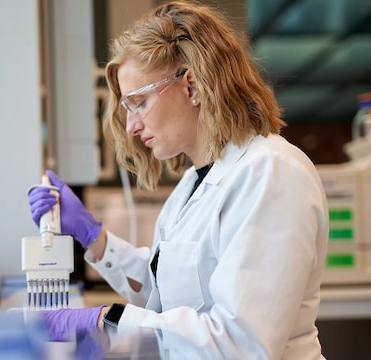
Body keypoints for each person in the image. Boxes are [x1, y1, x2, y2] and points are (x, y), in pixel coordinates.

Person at [27, 1, 329, 358]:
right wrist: (93, 238)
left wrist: (105, 320)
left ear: (191, 86)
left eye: (138, 102)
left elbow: (242, 344)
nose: (131, 126)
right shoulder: (193, 183)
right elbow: (166, 292)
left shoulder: (272, 173)